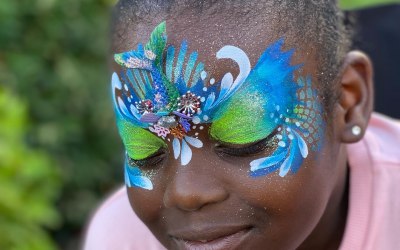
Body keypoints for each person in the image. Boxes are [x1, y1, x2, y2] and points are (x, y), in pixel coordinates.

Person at [84, 0, 400, 249]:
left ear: (348, 101)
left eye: (244, 140)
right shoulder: (122, 238)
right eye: (146, 150)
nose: (187, 194)